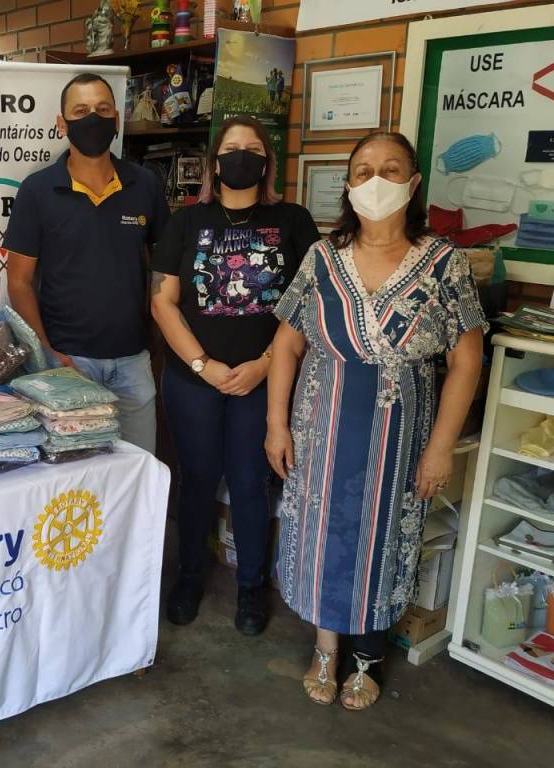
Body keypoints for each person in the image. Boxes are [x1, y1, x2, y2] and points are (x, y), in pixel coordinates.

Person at [265, 131, 485, 711]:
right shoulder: (321, 258)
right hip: (320, 429)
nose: (376, 181)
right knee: (321, 538)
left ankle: (366, 659)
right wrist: (276, 424)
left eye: (391, 169)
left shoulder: (445, 263)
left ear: (413, 183)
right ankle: (324, 651)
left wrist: (441, 448)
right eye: (363, 171)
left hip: (400, 438)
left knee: (383, 541)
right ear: (348, 185)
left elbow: (467, 360)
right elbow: (286, 345)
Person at [151, 115, 319, 634]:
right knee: (197, 478)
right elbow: (162, 302)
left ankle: (250, 587)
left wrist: (266, 363)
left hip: (264, 380)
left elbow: (308, 304)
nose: (241, 156)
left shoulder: (293, 221)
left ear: (266, 163)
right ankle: (189, 577)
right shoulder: (186, 222)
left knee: (250, 483)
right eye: (231, 148)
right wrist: (203, 365)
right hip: (193, 379)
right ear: (215, 163)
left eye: (252, 149)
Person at [4, 73, 171, 454]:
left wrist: (157, 339)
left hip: (133, 361)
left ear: (117, 121)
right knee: (79, 476)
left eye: (102, 109)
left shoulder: (145, 185)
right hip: (69, 363)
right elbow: (19, 282)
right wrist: (48, 354)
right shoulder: (37, 191)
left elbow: (162, 268)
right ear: (61, 124)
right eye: (80, 111)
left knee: (139, 468)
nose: (93, 118)